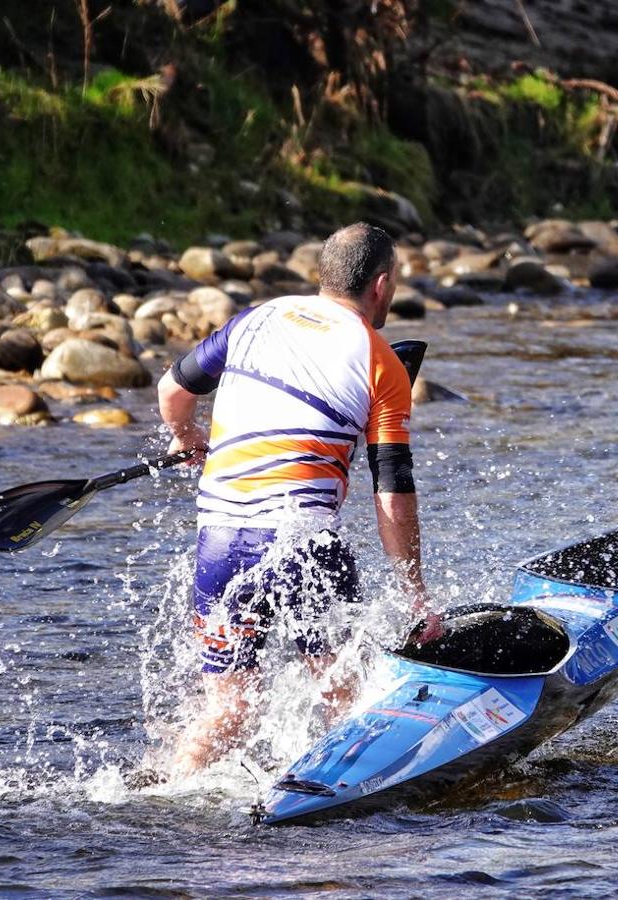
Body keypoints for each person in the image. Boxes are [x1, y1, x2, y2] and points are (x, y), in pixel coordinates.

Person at [157, 222, 443, 775]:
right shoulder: (380, 361)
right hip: (299, 544)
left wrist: (187, 436)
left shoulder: (256, 318)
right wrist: (415, 594)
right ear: (381, 285)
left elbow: (173, 391)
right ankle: (358, 794)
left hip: (218, 542)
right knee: (345, 694)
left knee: (232, 707)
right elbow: (393, 492)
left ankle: (165, 791)